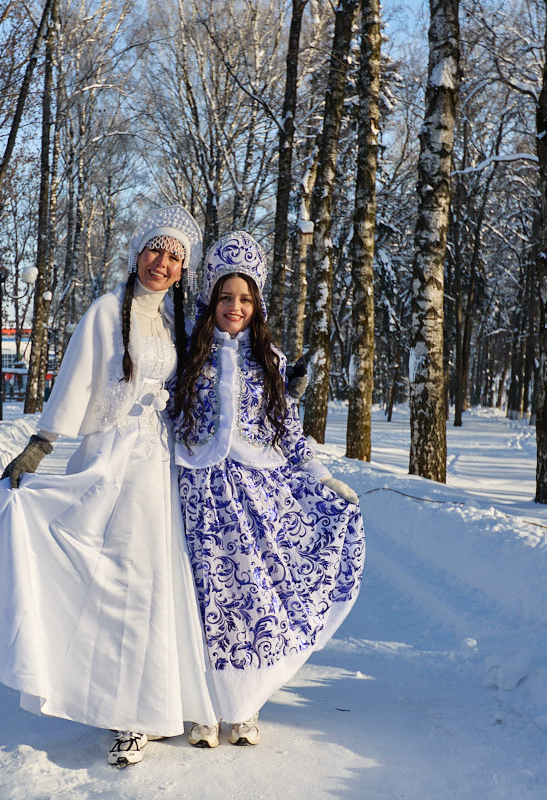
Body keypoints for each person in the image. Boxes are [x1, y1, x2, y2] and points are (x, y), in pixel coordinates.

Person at [0, 206, 218, 767]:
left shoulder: (174, 323)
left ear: (183, 270)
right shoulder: (106, 311)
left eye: (175, 257)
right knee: (114, 583)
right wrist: (42, 443)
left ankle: (160, 702)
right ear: (137, 252)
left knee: (156, 583)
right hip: (111, 460)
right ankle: (125, 713)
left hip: (159, 466)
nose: (163, 263)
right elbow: (76, 380)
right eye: (156, 250)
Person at [169, 230, 365, 749]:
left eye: (245, 299)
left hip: (256, 498)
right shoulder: (186, 355)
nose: (235, 307)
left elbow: (289, 433)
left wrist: (322, 477)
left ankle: (244, 705)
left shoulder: (270, 361)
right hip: (196, 496)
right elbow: (161, 418)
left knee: (252, 596)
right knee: (201, 601)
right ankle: (203, 707)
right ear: (211, 299)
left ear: (256, 305)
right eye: (226, 297)